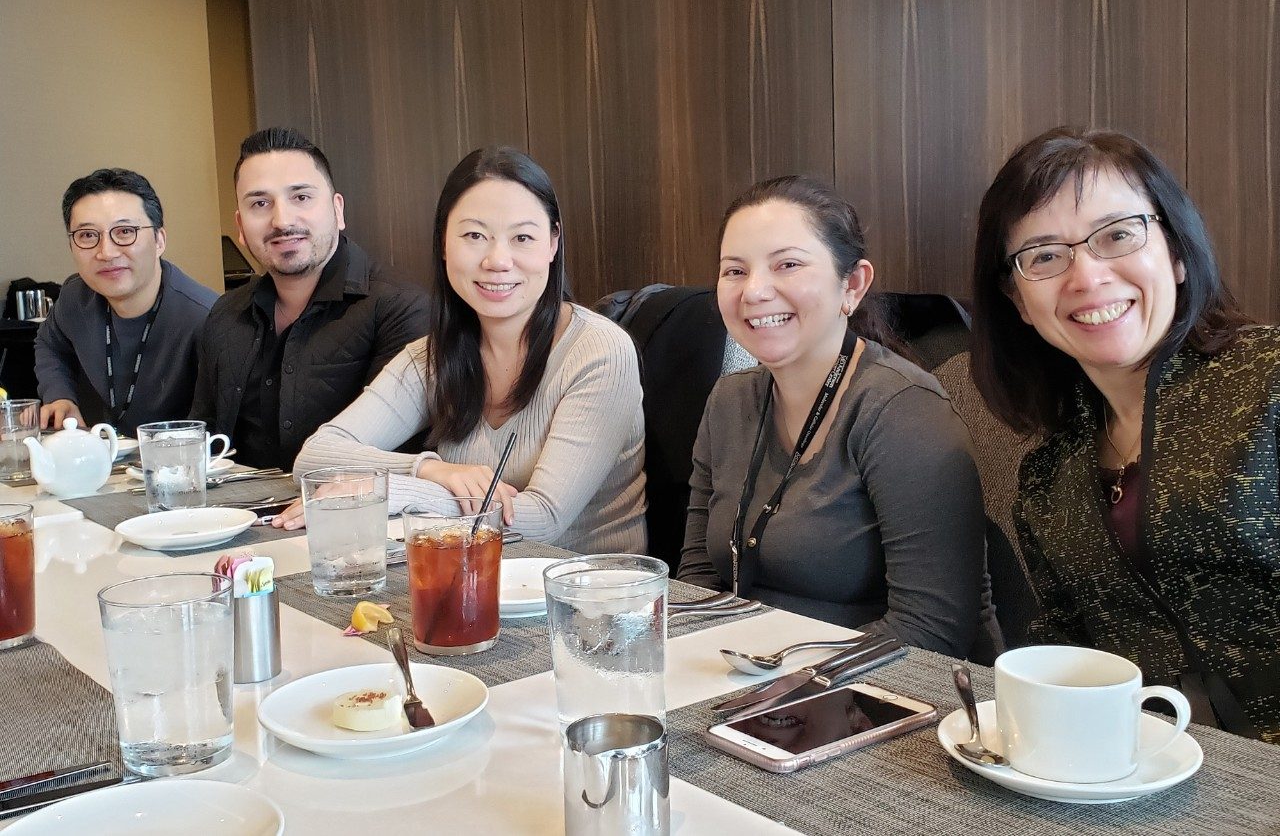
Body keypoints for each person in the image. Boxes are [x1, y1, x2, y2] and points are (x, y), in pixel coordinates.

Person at [969, 126, 1278, 743]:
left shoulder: (1269, 385)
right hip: (1135, 779)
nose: (1086, 277)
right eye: (1046, 256)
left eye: (1117, 236)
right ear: (1019, 301)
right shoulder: (1050, 477)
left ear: (1177, 251)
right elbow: (1065, 663)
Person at [676, 176, 988, 659]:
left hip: (873, 691)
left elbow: (932, 630)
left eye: (788, 265)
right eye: (734, 271)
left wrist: (788, 681)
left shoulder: (901, 410)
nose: (755, 291)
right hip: (743, 676)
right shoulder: (729, 401)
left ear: (853, 284)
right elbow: (698, 574)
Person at [283, 146, 646, 555]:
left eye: (523, 237)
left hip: (592, 599)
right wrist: (429, 469)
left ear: (553, 243)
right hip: (476, 583)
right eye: (474, 236)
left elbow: (543, 519)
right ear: (443, 244)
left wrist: (398, 491)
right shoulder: (432, 356)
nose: (497, 260)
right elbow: (314, 459)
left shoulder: (598, 351)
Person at [190, 127, 430, 471]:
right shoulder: (226, 314)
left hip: (349, 517)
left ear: (337, 209)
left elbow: (395, 459)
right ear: (241, 226)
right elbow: (205, 442)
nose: (282, 220)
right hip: (234, 516)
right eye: (260, 203)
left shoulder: (400, 309)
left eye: (301, 197)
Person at [35, 168, 217, 434]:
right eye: (87, 235)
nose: (106, 252)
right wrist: (59, 394)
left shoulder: (205, 318)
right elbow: (49, 343)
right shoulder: (76, 297)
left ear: (159, 240)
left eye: (125, 232)